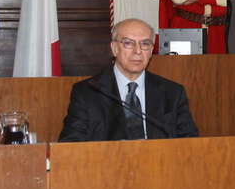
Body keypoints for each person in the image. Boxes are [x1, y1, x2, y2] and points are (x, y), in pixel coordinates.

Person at [59, 18, 198, 141]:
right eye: (128, 43)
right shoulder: (87, 92)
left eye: (145, 44)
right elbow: (71, 144)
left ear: (151, 51)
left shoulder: (172, 93)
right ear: (114, 48)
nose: (138, 51)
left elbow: (191, 143)